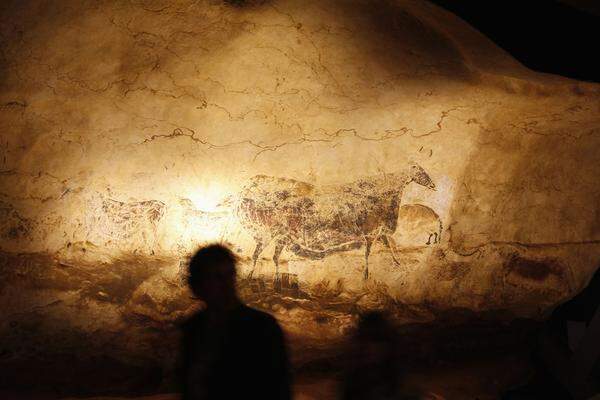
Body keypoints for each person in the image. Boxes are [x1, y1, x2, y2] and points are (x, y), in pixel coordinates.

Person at [179, 244, 291, 400]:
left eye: (230, 275)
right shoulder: (193, 328)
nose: (227, 285)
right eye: (217, 277)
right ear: (197, 285)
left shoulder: (261, 329)